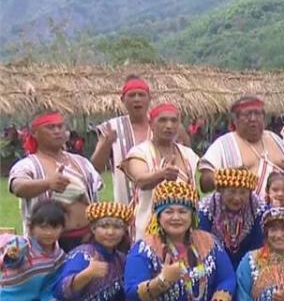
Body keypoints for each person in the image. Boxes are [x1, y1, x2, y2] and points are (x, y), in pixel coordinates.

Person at [9, 112, 103, 252]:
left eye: (60, 127)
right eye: (50, 127)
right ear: (35, 133)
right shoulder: (28, 165)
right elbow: (18, 187)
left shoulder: (80, 162)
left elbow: (96, 189)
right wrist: (47, 183)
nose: (57, 131)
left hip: (87, 237)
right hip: (48, 243)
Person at [122, 103, 200, 239]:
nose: (169, 125)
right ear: (151, 124)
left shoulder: (188, 154)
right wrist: (162, 174)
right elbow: (140, 181)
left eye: (173, 120)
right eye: (162, 120)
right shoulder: (140, 152)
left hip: (183, 232)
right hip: (148, 232)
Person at [199, 96, 284, 199]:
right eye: (247, 114)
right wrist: (228, 176)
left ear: (264, 118)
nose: (253, 119)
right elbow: (204, 183)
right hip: (240, 212)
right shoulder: (223, 144)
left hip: (281, 212)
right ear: (235, 120)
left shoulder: (276, 140)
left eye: (257, 114)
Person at [91, 75, 153, 205]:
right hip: (125, 203)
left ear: (149, 99)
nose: (137, 99)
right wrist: (106, 143)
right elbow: (96, 168)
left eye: (141, 95)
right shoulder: (111, 127)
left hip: (160, 202)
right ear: (123, 100)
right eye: (132, 95)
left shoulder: (161, 125)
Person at [198, 168, 268, 269]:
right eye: (231, 192)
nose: (237, 198)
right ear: (221, 190)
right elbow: (202, 245)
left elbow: (259, 247)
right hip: (215, 265)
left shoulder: (258, 208)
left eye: (243, 192)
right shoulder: (208, 208)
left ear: (250, 193)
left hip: (249, 266)